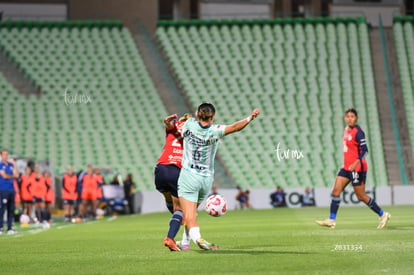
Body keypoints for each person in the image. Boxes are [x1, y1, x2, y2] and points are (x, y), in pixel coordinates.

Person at [178, 103, 260, 250]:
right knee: (192, 212)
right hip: (206, 179)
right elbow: (235, 127)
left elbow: (186, 121)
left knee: (188, 214)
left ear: (197, 114)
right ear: (213, 117)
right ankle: (184, 242)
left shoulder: (189, 124)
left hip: (189, 176)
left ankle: (198, 239)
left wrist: (186, 117)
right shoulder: (215, 131)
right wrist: (249, 118)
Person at [316, 108, 390, 229]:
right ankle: (331, 219)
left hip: (357, 168)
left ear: (356, 118)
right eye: (348, 116)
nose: (350, 118)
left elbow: (365, 150)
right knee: (335, 191)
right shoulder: (346, 130)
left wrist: (356, 162)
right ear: (345, 118)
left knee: (361, 196)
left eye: (352, 116)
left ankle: (383, 214)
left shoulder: (358, 132)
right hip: (346, 168)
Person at [154, 113, 191, 251]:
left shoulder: (175, 127)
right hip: (175, 169)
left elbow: (169, 125)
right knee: (180, 209)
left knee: (170, 199)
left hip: (160, 168)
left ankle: (178, 219)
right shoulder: (192, 132)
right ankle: (170, 238)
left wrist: (168, 122)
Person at [0, 149, 19, 234]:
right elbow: (4, 176)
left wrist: (14, 164)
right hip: (3, 189)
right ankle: (0, 227)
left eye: (7, 154)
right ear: (1, 155)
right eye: (4, 154)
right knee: (2, 209)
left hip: (11, 189)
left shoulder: (11, 165)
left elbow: (17, 175)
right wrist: (12, 176)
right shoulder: (0, 165)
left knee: (11, 209)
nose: (6, 156)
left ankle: (9, 228)